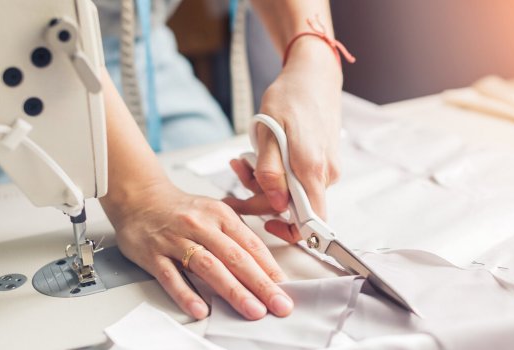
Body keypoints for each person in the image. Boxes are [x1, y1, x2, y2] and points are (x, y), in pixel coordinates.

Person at [96, 0, 346, 321]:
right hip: (26, 82)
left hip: (153, 63)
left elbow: (310, 48)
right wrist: (140, 198)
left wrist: (314, 56)